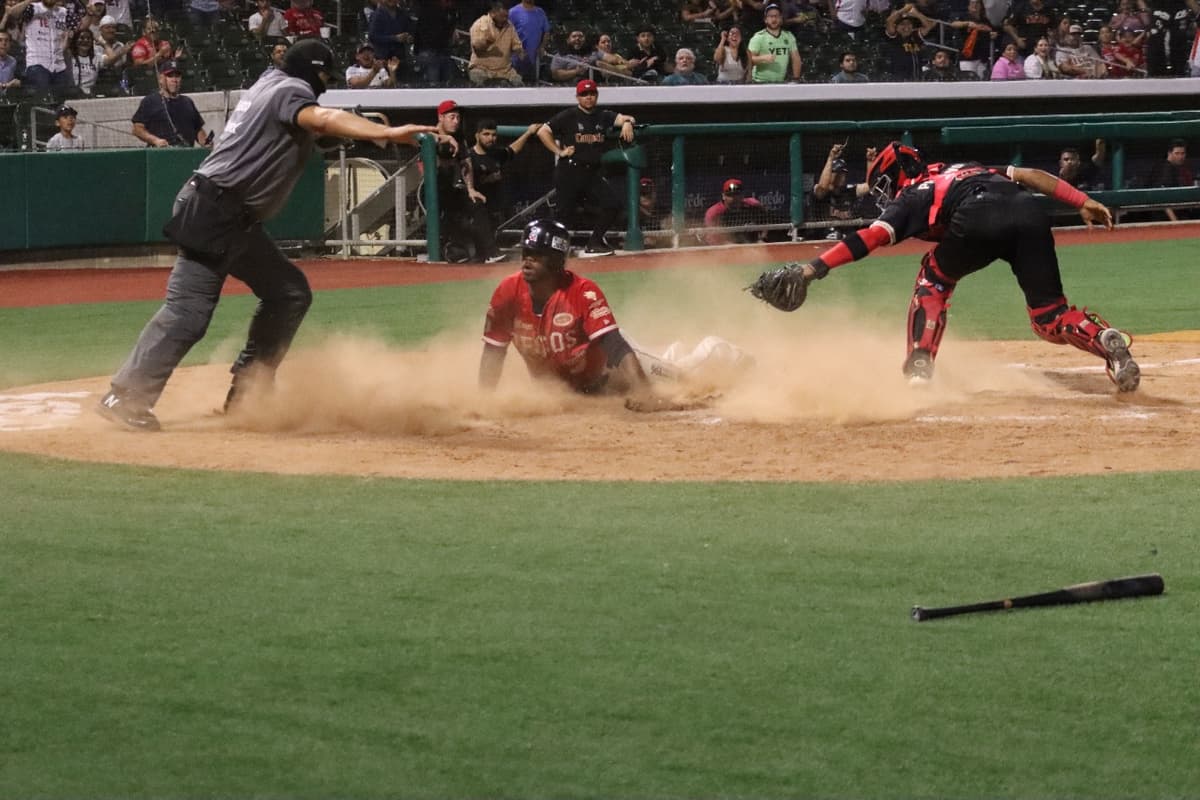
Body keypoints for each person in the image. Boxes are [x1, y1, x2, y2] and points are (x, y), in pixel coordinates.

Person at [96, 40, 451, 432]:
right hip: (214, 212)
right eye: (322, 78)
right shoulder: (290, 89)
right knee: (188, 312)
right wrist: (390, 132)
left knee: (289, 293)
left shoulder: (268, 82)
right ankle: (125, 395)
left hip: (232, 215)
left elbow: (304, 127)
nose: (322, 86)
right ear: (309, 72)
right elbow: (323, 118)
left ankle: (249, 390)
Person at [750, 141, 1140, 393]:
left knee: (933, 279)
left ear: (895, 176)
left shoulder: (913, 194)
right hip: (1028, 213)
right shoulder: (966, 167)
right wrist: (1080, 200)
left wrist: (812, 269)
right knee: (1049, 315)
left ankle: (920, 363)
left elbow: (869, 238)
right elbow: (1029, 177)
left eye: (884, 183)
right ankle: (1104, 339)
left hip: (976, 217)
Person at [478, 219, 664, 405]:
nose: (528, 260)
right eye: (526, 253)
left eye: (538, 255)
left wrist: (644, 391)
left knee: (677, 376)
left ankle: (687, 360)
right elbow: (494, 351)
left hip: (614, 369)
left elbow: (615, 345)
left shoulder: (582, 292)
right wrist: (484, 402)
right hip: (574, 393)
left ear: (556, 261)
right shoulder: (508, 291)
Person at [537, 78, 636, 257]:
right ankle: (553, 252)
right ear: (578, 97)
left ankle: (594, 243)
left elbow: (626, 118)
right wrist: (559, 151)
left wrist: (628, 123)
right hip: (570, 170)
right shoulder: (568, 115)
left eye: (592, 94)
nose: (588, 98)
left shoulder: (603, 115)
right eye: (584, 94)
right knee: (563, 214)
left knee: (612, 205)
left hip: (591, 172)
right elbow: (543, 131)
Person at [466, 118, 540, 263]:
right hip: (474, 209)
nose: (490, 138)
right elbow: (467, 183)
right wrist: (487, 179)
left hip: (493, 206)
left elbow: (512, 150)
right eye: (486, 134)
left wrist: (528, 133)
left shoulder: (495, 154)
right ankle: (490, 253)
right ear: (477, 136)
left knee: (480, 255)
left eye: (493, 135)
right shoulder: (470, 157)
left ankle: (484, 260)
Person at [433, 99, 484, 262]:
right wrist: (443, 139)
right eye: (452, 117)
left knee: (475, 203)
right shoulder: (429, 134)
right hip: (428, 188)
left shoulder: (460, 138)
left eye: (458, 118)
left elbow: (466, 163)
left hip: (452, 189)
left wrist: (470, 188)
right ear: (441, 117)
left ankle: (484, 253)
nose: (456, 121)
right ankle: (449, 249)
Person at [131, 61, 208, 147]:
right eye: (170, 76)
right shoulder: (150, 101)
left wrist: (205, 142)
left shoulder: (187, 101)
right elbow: (137, 129)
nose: (174, 80)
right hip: (160, 154)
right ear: (161, 79)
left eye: (177, 76)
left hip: (186, 154)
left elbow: (198, 129)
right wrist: (155, 140)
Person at [10, 0, 77, 92]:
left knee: (61, 101)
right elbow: (12, 14)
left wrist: (65, 44)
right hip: (38, 64)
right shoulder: (33, 8)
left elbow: (72, 31)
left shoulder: (65, 13)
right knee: (42, 100)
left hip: (59, 66)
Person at [811, 141, 872, 235]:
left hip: (846, 235)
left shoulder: (848, 190)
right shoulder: (821, 192)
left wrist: (870, 162)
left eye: (843, 173)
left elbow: (870, 186)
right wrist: (831, 158)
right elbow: (823, 186)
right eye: (838, 173)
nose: (841, 177)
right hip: (823, 235)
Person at [469, 1, 523, 85]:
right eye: (502, 16)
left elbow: (516, 44)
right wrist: (486, 43)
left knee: (518, 82)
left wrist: (519, 51)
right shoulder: (480, 24)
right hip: (482, 69)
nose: (505, 19)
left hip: (505, 71)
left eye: (506, 16)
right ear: (493, 13)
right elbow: (477, 48)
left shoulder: (510, 26)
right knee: (478, 78)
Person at [703, 178, 767, 244]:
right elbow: (712, 238)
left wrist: (762, 238)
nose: (734, 198)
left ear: (742, 195)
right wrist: (731, 247)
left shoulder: (754, 206)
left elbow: (766, 223)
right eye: (729, 195)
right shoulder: (714, 213)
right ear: (723, 196)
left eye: (737, 194)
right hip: (724, 248)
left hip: (751, 245)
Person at [748, 3, 801, 82]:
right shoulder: (758, 37)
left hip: (780, 83)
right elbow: (748, 61)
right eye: (770, 16)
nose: (774, 19)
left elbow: (796, 59)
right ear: (765, 20)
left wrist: (796, 79)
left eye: (777, 16)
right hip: (759, 83)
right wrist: (762, 58)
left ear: (781, 18)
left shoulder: (789, 36)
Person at [1143, 138, 1193, 221]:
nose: (1180, 157)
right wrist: (1174, 221)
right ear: (1169, 153)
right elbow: (1162, 197)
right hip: (1162, 218)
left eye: (1183, 153)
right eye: (1177, 153)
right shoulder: (1166, 169)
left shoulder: (1167, 166)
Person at [508, 0, 549, 82]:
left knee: (532, 86)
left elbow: (546, 32)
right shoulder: (513, 12)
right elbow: (506, 33)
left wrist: (542, 47)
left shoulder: (540, 12)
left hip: (534, 59)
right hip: (515, 59)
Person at [68, 27, 100, 93]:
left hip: (91, 95)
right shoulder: (69, 57)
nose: (85, 41)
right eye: (81, 38)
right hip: (73, 94)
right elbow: (63, 48)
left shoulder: (96, 57)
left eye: (88, 38)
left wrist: (102, 43)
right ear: (76, 40)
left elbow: (112, 56)